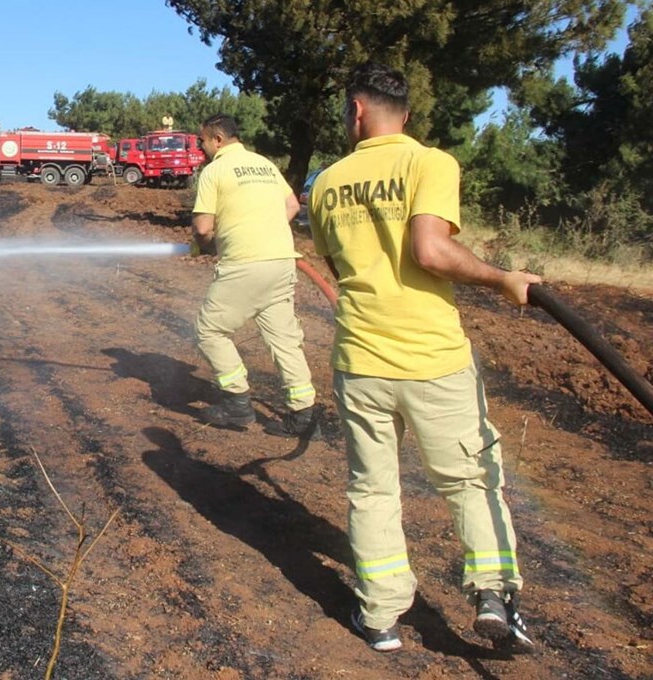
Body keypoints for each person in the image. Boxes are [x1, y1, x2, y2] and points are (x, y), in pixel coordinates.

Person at [307, 62, 541, 654]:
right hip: (433, 359)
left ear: (355, 111)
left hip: (360, 360)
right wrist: (502, 278)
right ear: (403, 113)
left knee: (373, 488)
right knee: (469, 478)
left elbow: (337, 269)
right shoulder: (428, 162)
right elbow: (432, 251)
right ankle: (493, 597)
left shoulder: (328, 181)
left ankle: (380, 616)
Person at [190, 113, 317, 437]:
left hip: (245, 265)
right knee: (284, 339)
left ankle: (237, 403)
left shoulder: (215, 170)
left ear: (217, 140)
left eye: (202, 140)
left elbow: (203, 228)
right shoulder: (264, 164)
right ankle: (303, 414)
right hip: (281, 263)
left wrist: (209, 246)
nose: (201, 147)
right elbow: (291, 206)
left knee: (210, 331)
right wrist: (263, 229)